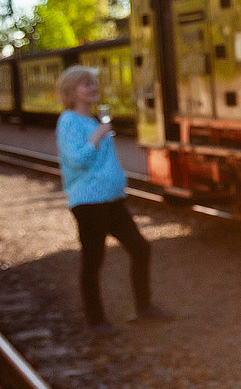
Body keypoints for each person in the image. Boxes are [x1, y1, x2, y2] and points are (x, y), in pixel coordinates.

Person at [55, 65, 172, 334]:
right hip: (89, 203)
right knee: (93, 260)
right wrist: (99, 135)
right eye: (86, 84)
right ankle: (96, 321)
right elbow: (78, 159)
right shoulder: (69, 121)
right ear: (71, 91)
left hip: (111, 200)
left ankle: (144, 308)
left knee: (140, 248)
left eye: (93, 83)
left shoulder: (92, 120)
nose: (92, 88)